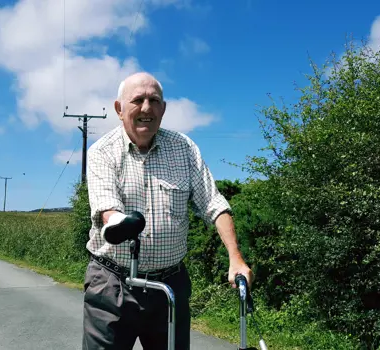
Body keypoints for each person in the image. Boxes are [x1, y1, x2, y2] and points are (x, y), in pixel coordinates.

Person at [82, 72, 253, 350]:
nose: (146, 108)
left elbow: (214, 203)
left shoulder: (184, 148)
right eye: (137, 100)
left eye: (154, 100)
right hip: (112, 284)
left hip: (169, 287)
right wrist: (119, 223)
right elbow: (107, 208)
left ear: (163, 108)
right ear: (119, 109)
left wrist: (236, 258)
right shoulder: (103, 152)